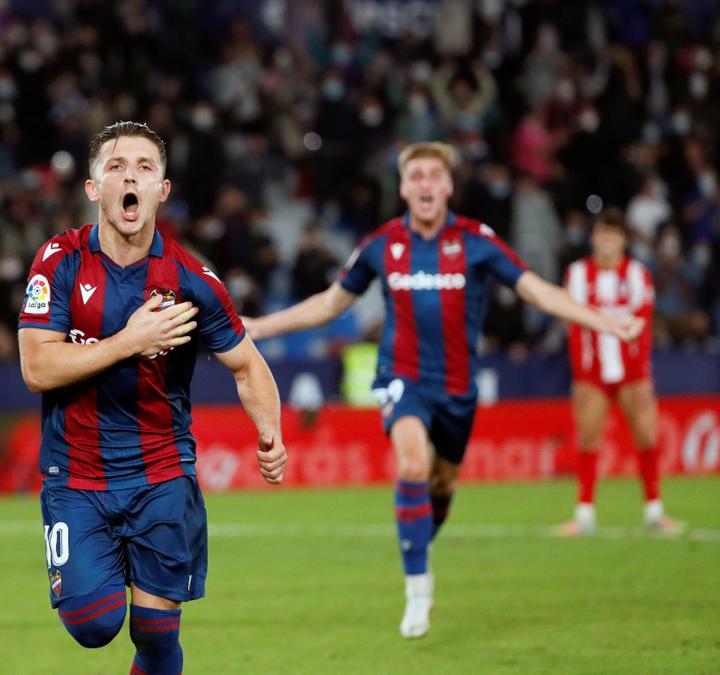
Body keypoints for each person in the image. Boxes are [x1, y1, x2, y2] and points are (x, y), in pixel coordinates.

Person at [243, 142, 642, 640]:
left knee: (442, 485)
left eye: (435, 175)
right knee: (411, 462)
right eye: (417, 176)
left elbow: (537, 290)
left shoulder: (477, 241)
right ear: (404, 187)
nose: (427, 184)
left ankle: (419, 544)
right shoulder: (382, 245)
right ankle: (417, 589)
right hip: (401, 378)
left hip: (458, 389)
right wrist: (262, 325)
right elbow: (330, 304)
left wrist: (603, 322)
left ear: (449, 186)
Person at [17, 122, 286, 674]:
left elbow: (246, 364)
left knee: (157, 635)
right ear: (94, 189)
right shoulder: (60, 259)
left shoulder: (191, 279)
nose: (129, 177)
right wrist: (128, 343)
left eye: (144, 167)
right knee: (93, 624)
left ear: (162, 189)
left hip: (161, 475)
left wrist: (270, 434)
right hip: (75, 476)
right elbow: (37, 368)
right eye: (115, 167)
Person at [559, 209, 684, 536]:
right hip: (591, 373)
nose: (608, 241)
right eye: (603, 234)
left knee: (647, 437)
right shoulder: (576, 274)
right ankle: (584, 515)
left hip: (632, 373)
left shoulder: (637, 275)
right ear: (594, 239)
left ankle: (654, 511)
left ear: (623, 240)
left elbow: (642, 319)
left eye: (614, 235)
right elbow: (570, 316)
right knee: (588, 439)